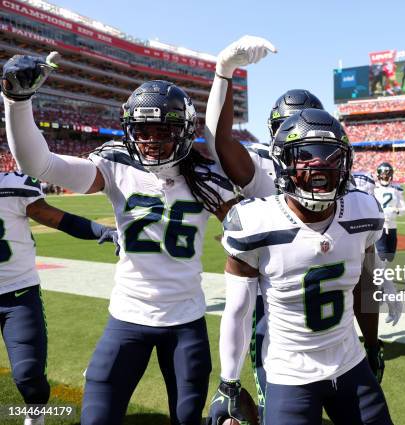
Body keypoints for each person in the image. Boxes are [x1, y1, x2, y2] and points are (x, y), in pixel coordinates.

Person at [2, 52, 241, 424]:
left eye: (163, 131)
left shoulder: (207, 176)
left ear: (185, 130)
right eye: (142, 130)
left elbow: (254, 233)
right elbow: (41, 165)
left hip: (186, 319)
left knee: (186, 418)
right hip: (128, 315)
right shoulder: (116, 164)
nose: (150, 141)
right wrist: (17, 102)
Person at [204, 38, 402, 421]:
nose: (316, 165)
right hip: (288, 364)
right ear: (280, 155)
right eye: (303, 154)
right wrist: (229, 379)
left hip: (347, 357)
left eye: (327, 156)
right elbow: (238, 311)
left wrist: (378, 298)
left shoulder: (361, 206)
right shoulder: (256, 214)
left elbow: (363, 273)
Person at [0, 170, 116, 425]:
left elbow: (57, 219)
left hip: (18, 292)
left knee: (28, 374)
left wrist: (100, 231)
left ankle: (35, 415)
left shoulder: (12, 185)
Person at [374, 163, 405, 262]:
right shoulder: (373, 189)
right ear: (379, 175)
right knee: (381, 254)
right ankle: (380, 276)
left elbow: (404, 210)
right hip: (379, 227)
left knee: (390, 256)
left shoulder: (396, 189)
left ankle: (384, 275)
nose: (385, 177)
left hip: (392, 226)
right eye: (383, 174)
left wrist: (396, 211)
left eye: (387, 174)